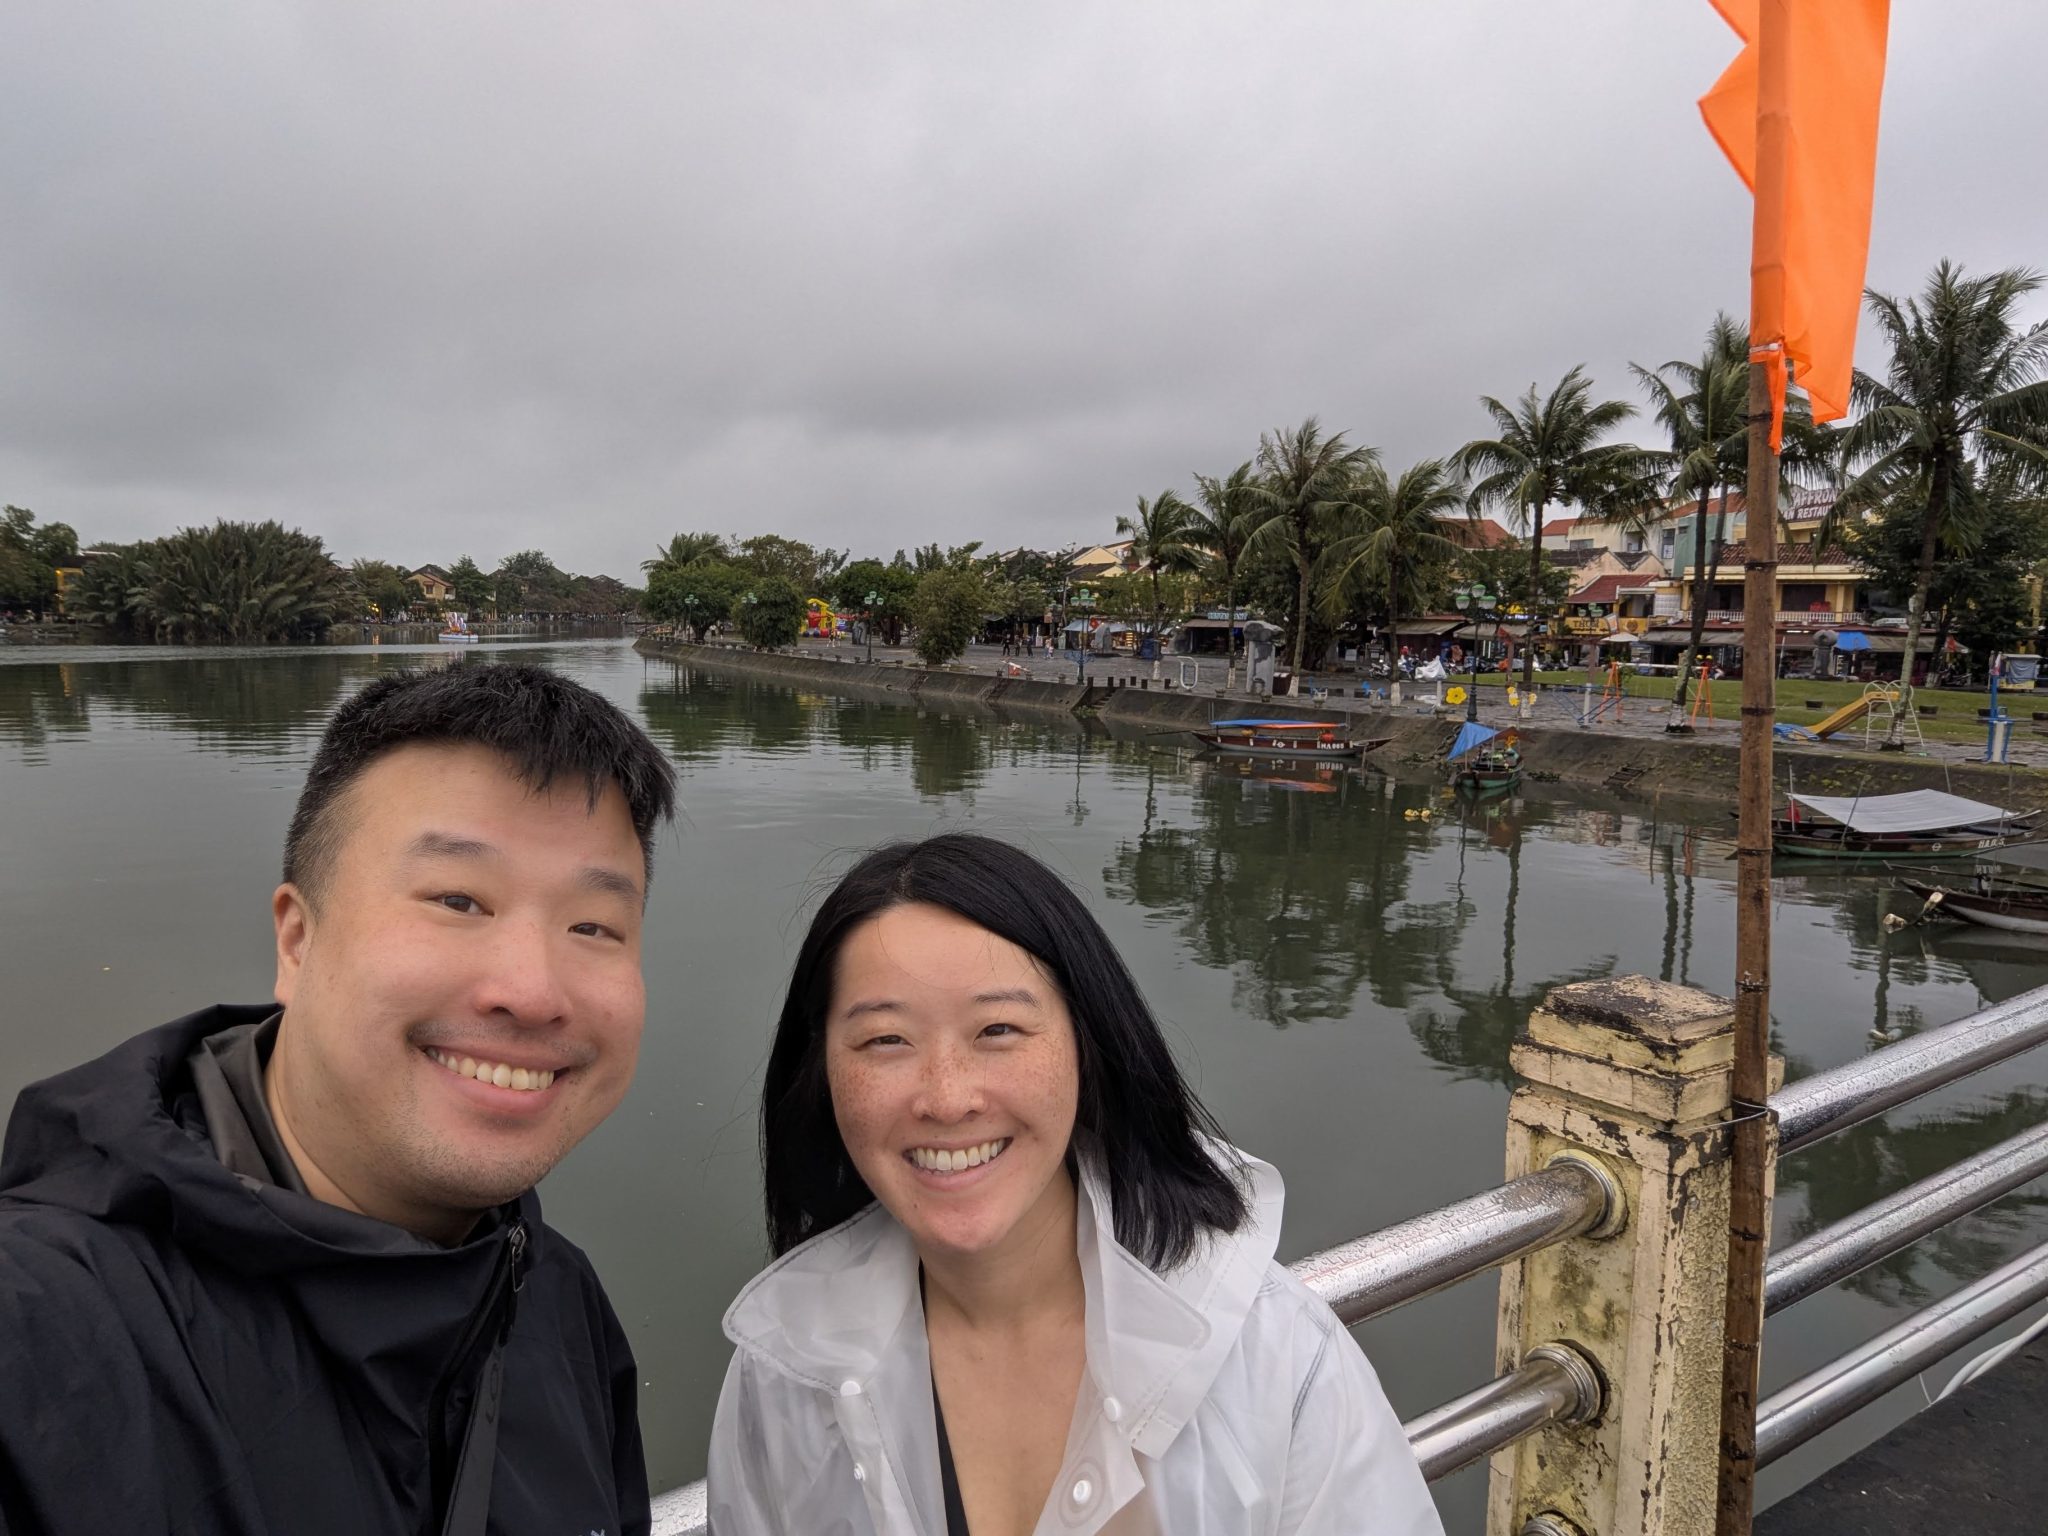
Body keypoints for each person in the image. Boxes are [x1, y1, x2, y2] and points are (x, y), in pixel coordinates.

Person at [0, 662, 677, 1536]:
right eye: (459, 900)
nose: (533, 991)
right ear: (297, 938)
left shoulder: (552, 1291)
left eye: (593, 926)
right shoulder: (42, 1333)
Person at [707, 834, 1441, 1535]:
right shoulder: (786, 1372)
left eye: (998, 1030)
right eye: (885, 1040)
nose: (947, 1098)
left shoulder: (1275, 1357)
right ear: (821, 1073)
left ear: (1088, 1046)